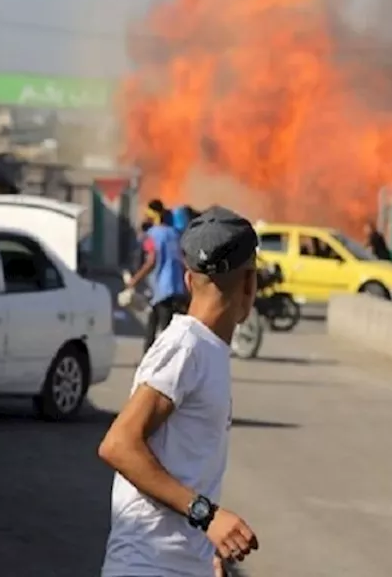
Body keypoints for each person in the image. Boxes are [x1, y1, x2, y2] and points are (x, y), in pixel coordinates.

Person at [99, 205, 262, 576]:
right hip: (147, 566)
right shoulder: (185, 346)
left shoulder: (204, 349)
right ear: (250, 282)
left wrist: (209, 548)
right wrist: (208, 516)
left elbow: (187, 465)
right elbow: (119, 444)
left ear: (189, 281)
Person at [126, 199, 189, 353]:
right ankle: (147, 361)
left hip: (163, 289)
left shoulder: (152, 235)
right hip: (177, 288)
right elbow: (183, 260)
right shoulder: (174, 233)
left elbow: (151, 261)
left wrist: (134, 280)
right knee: (153, 326)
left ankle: (163, 366)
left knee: (164, 331)